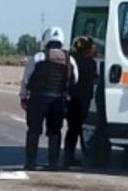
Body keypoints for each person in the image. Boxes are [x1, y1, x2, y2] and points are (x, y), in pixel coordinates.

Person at [19, 26, 78, 170]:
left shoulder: (38, 57)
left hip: (37, 100)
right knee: (55, 132)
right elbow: (75, 79)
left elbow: (26, 80)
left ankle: (30, 163)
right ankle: (53, 163)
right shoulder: (69, 59)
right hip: (58, 100)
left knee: (33, 131)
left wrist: (23, 97)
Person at [64, 36, 97, 166]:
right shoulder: (91, 63)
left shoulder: (70, 60)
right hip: (83, 100)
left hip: (70, 98)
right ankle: (69, 157)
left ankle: (67, 155)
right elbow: (94, 78)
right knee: (75, 128)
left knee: (72, 128)